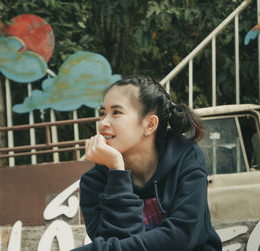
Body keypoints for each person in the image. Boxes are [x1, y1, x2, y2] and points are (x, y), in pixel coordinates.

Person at [73, 76, 222, 251]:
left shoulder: (185, 157)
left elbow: (182, 236)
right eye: (102, 113)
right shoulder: (94, 182)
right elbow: (112, 241)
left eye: (116, 112)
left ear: (150, 124)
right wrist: (117, 171)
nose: (103, 123)